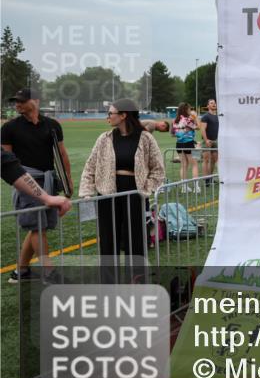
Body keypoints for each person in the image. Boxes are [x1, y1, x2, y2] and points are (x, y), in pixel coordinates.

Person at [79, 99, 165, 283]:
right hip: (107, 194)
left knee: (136, 238)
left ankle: (137, 279)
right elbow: (90, 166)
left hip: (135, 195)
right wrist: (87, 192)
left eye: (111, 113)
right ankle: (109, 282)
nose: (107, 117)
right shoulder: (104, 138)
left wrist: (146, 190)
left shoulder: (146, 138)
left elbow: (158, 169)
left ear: (124, 115)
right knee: (109, 239)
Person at [2, 88, 72, 284]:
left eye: (21, 100)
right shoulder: (9, 128)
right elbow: (7, 160)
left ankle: (21, 272)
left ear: (36, 101)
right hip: (25, 182)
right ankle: (49, 274)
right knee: (37, 227)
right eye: (15, 101)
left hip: (48, 180)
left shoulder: (52, 125)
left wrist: (68, 180)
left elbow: (62, 154)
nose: (17, 104)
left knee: (38, 227)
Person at [171, 103, 200, 190]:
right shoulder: (188, 120)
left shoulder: (175, 120)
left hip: (179, 144)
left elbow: (173, 134)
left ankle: (184, 186)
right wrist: (196, 117)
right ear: (185, 110)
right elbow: (198, 127)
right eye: (189, 109)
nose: (190, 111)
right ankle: (196, 187)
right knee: (194, 164)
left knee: (183, 165)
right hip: (189, 143)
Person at [199, 99, 219, 185]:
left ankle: (210, 178)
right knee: (206, 160)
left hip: (215, 141)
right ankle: (206, 180)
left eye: (214, 103)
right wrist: (206, 139)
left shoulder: (218, 116)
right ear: (208, 106)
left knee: (214, 160)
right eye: (211, 103)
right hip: (207, 141)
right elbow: (202, 129)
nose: (214, 104)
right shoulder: (205, 116)